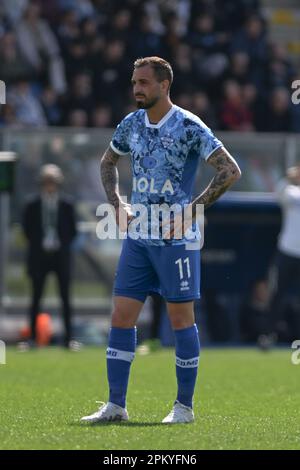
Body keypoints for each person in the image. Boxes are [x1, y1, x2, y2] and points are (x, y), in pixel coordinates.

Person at [81, 56, 241, 424]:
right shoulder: (131, 123)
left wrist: (192, 211)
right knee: (121, 316)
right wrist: (117, 203)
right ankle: (116, 406)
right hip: (139, 237)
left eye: (144, 83)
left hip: (177, 240)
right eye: (134, 82)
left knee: (181, 320)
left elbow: (230, 170)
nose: (137, 88)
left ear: (164, 85)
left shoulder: (188, 125)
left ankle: (184, 407)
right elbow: (108, 162)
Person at [22, 164, 77, 348]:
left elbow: (73, 230)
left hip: (60, 255)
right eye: (47, 181)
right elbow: (27, 230)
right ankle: (31, 338)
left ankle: (69, 339)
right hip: (40, 256)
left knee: (65, 298)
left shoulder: (66, 204)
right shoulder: (32, 204)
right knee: (36, 298)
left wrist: (60, 243)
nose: (49, 185)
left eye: (52, 181)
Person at [268, 165, 300, 341]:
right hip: (287, 250)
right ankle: (269, 334)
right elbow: (278, 191)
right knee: (277, 294)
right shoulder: (291, 191)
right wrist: (290, 176)